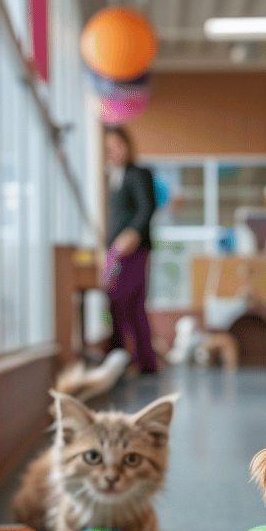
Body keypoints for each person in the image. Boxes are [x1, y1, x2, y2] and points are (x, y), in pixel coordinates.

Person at [102, 125, 158, 373]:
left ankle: (144, 363)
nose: (114, 151)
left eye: (117, 145)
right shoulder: (111, 177)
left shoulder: (139, 173)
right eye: (109, 148)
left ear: (127, 145)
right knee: (116, 303)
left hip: (134, 250)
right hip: (115, 253)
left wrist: (132, 234)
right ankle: (121, 359)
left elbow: (146, 209)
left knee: (131, 303)